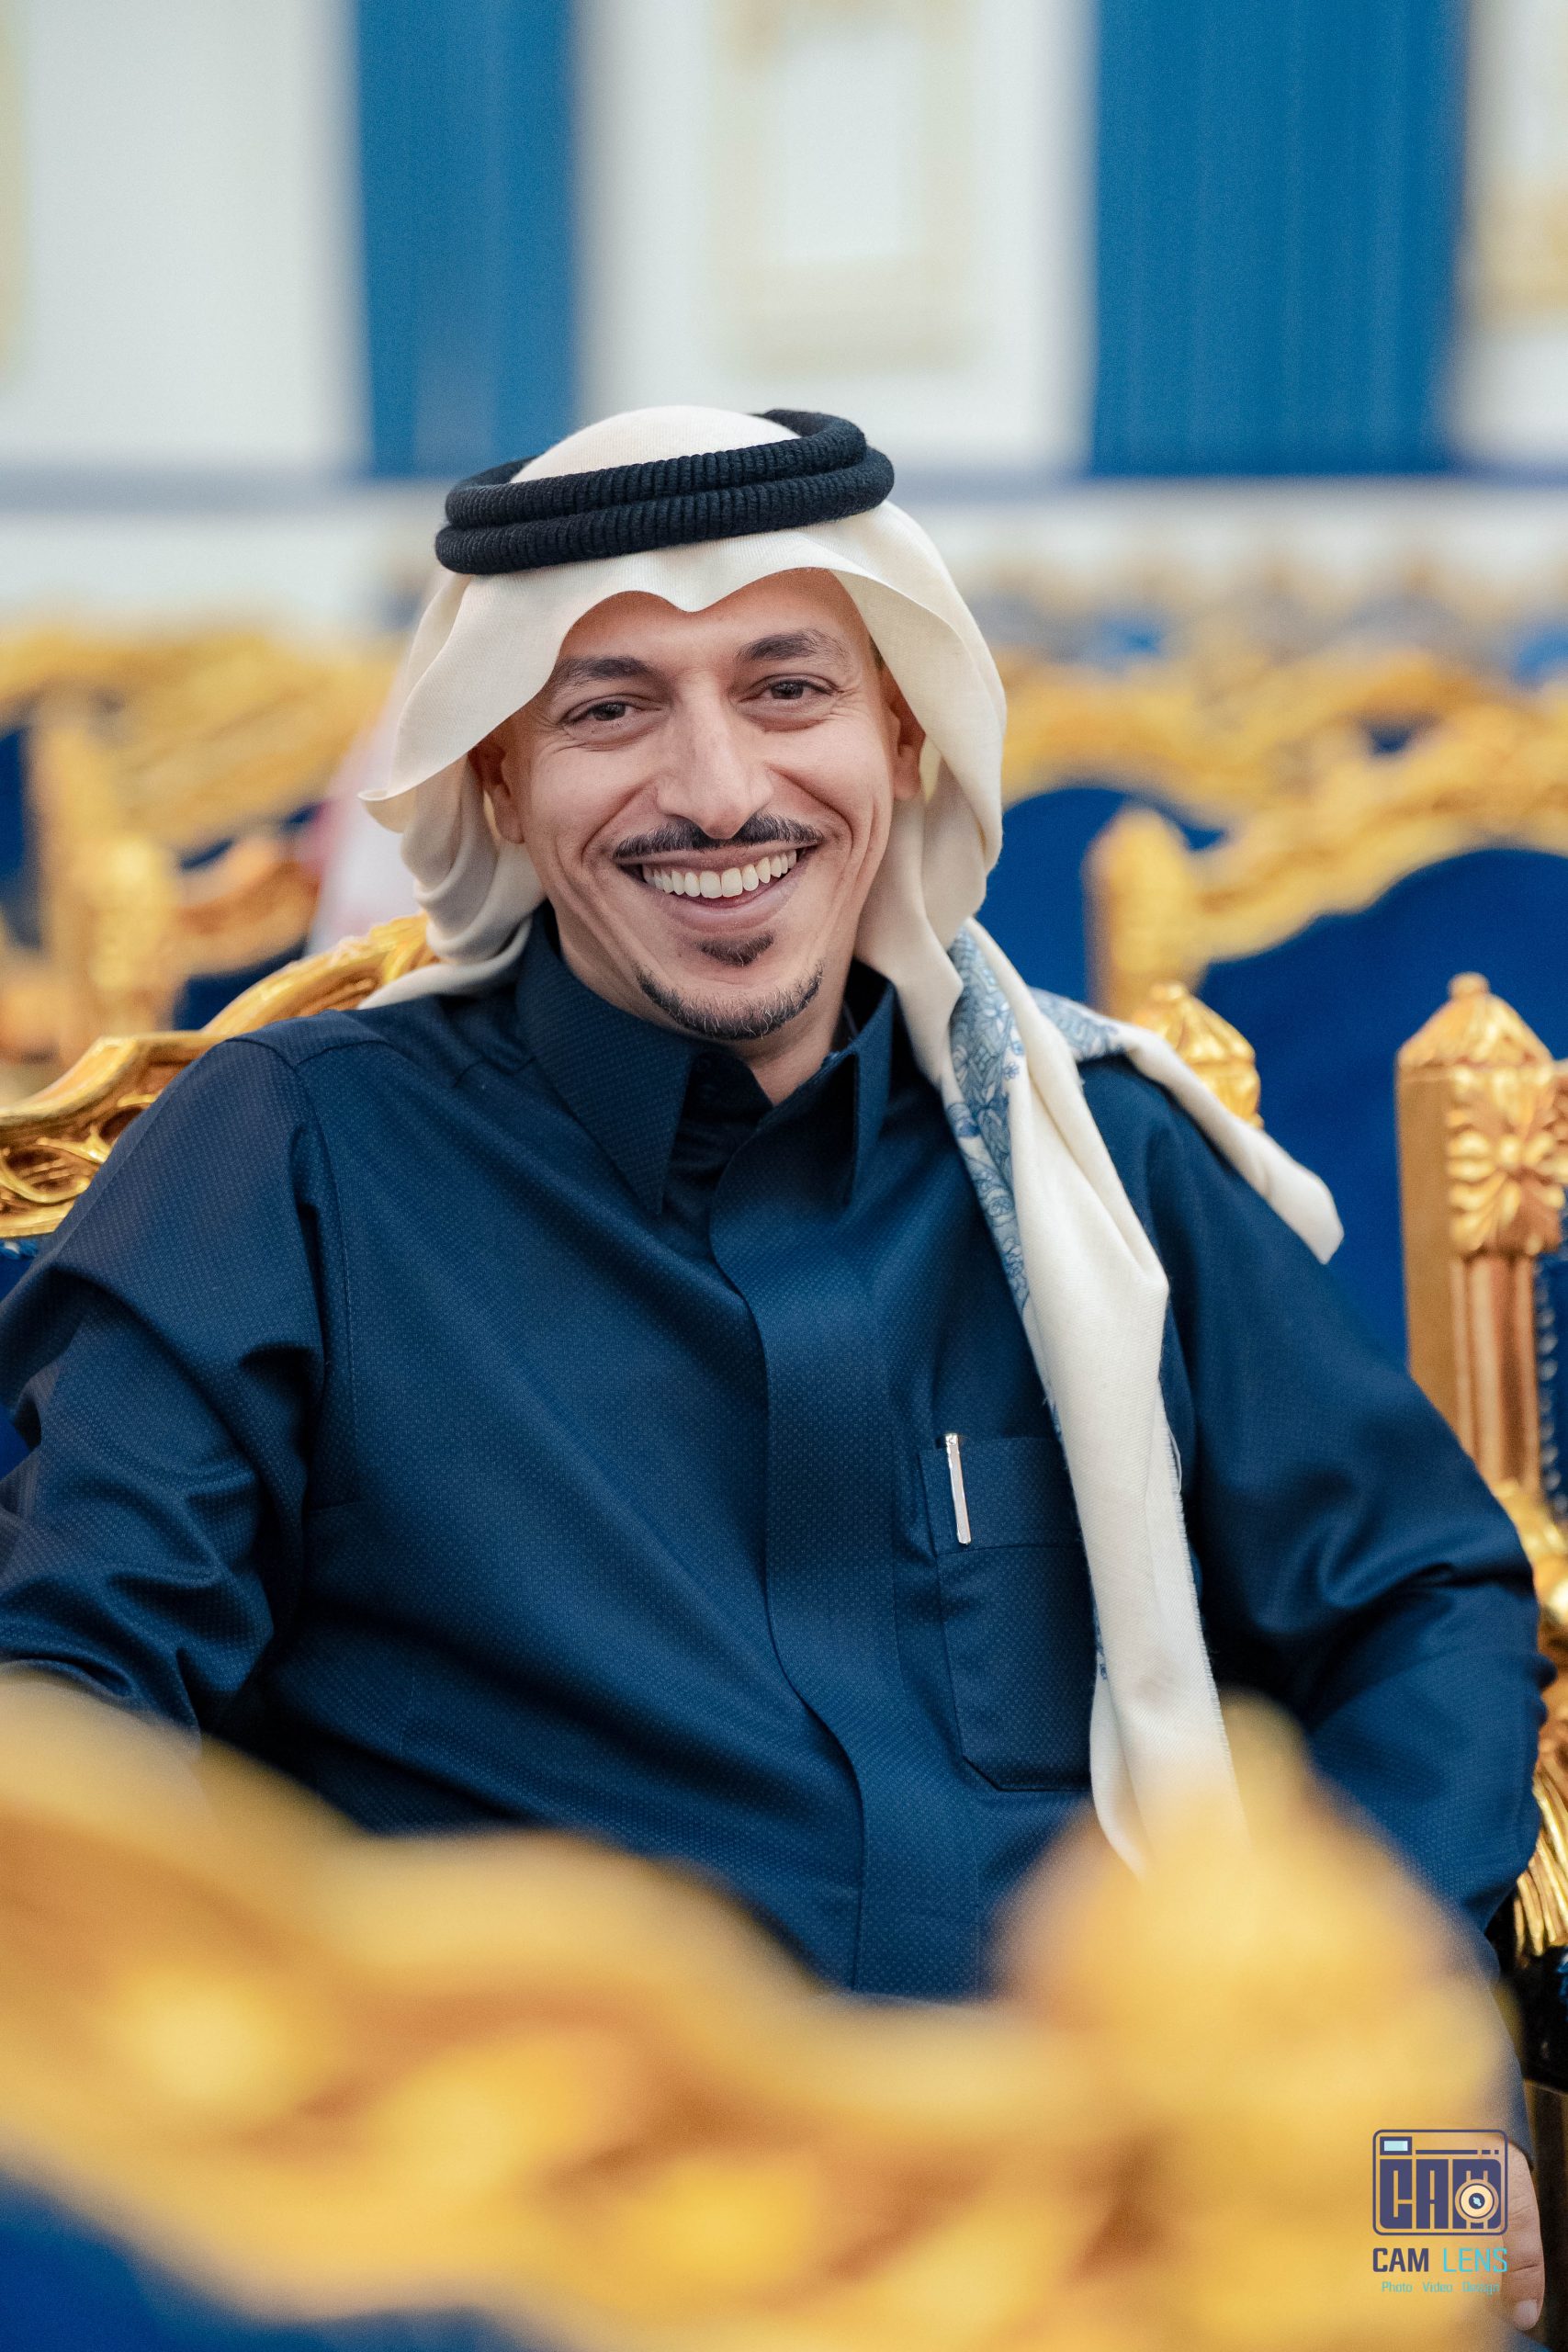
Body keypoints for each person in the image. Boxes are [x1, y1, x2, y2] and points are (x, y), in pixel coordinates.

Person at [0, 408, 1548, 2317]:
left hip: (1118, 2215)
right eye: (609, 710)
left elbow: (1417, 1602)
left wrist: (1383, 2111)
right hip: (554, 2251)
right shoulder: (292, 1162)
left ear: (900, 737)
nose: (718, 790)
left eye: (787, 688)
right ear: (498, 778)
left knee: (1445, 2265)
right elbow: (66, 1725)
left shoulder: (1096, 1159)